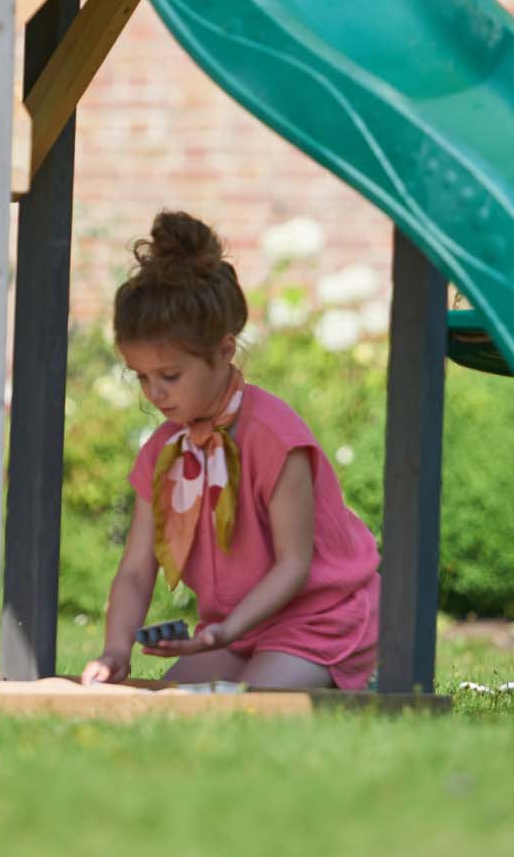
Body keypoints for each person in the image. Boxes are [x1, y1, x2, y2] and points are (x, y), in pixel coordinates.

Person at [81, 211, 381, 690]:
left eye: (170, 376)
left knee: (250, 705)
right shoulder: (164, 452)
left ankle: (365, 672)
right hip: (235, 630)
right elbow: (137, 569)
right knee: (180, 701)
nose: (154, 393)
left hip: (319, 619)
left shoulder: (275, 438)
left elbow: (294, 565)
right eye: (141, 377)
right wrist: (116, 648)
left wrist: (224, 631)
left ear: (224, 351)